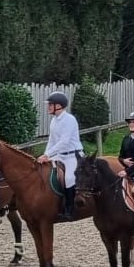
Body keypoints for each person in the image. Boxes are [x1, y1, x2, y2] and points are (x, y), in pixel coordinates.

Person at [37, 91, 82, 220]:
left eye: (51, 104)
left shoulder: (69, 119)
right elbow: (51, 140)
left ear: (59, 105)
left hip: (73, 155)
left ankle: (70, 209)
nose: (48, 107)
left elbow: (64, 141)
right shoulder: (54, 121)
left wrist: (48, 154)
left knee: (68, 179)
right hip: (59, 155)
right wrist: (45, 155)